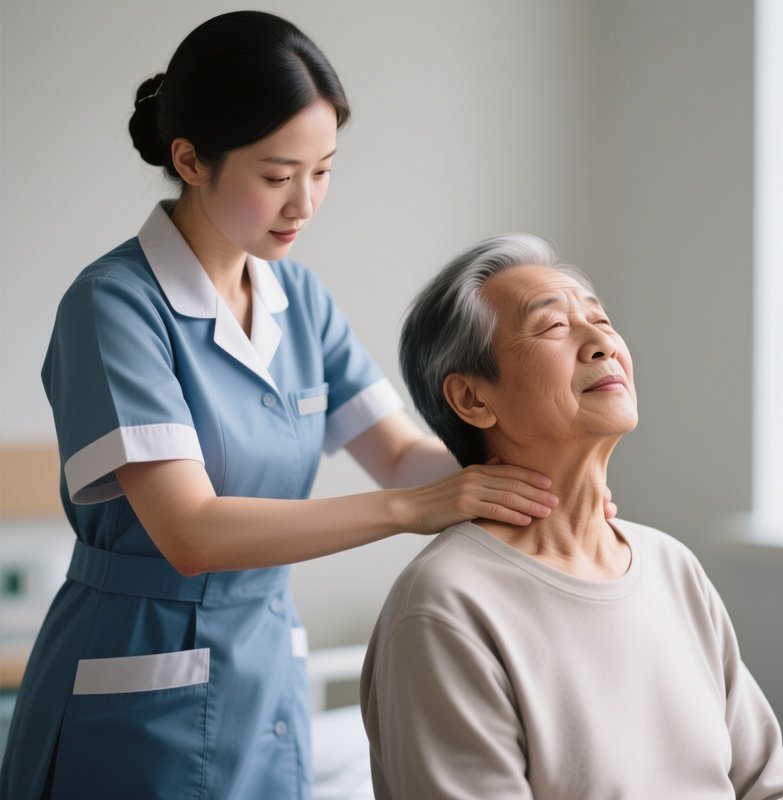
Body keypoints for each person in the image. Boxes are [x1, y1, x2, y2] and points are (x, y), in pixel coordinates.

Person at [0, 13, 587, 800]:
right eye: (278, 176)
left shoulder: (298, 299)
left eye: (324, 170)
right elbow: (191, 532)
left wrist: (542, 472)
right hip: (136, 677)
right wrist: (417, 508)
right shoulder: (116, 306)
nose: (305, 202)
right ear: (190, 160)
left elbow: (403, 450)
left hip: (265, 664)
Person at [360, 233, 783, 799]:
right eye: (553, 328)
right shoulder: (445, 603)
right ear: (472, 399)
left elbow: (770, 782)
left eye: (602, 320)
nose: (602, 343)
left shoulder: (670, 564)